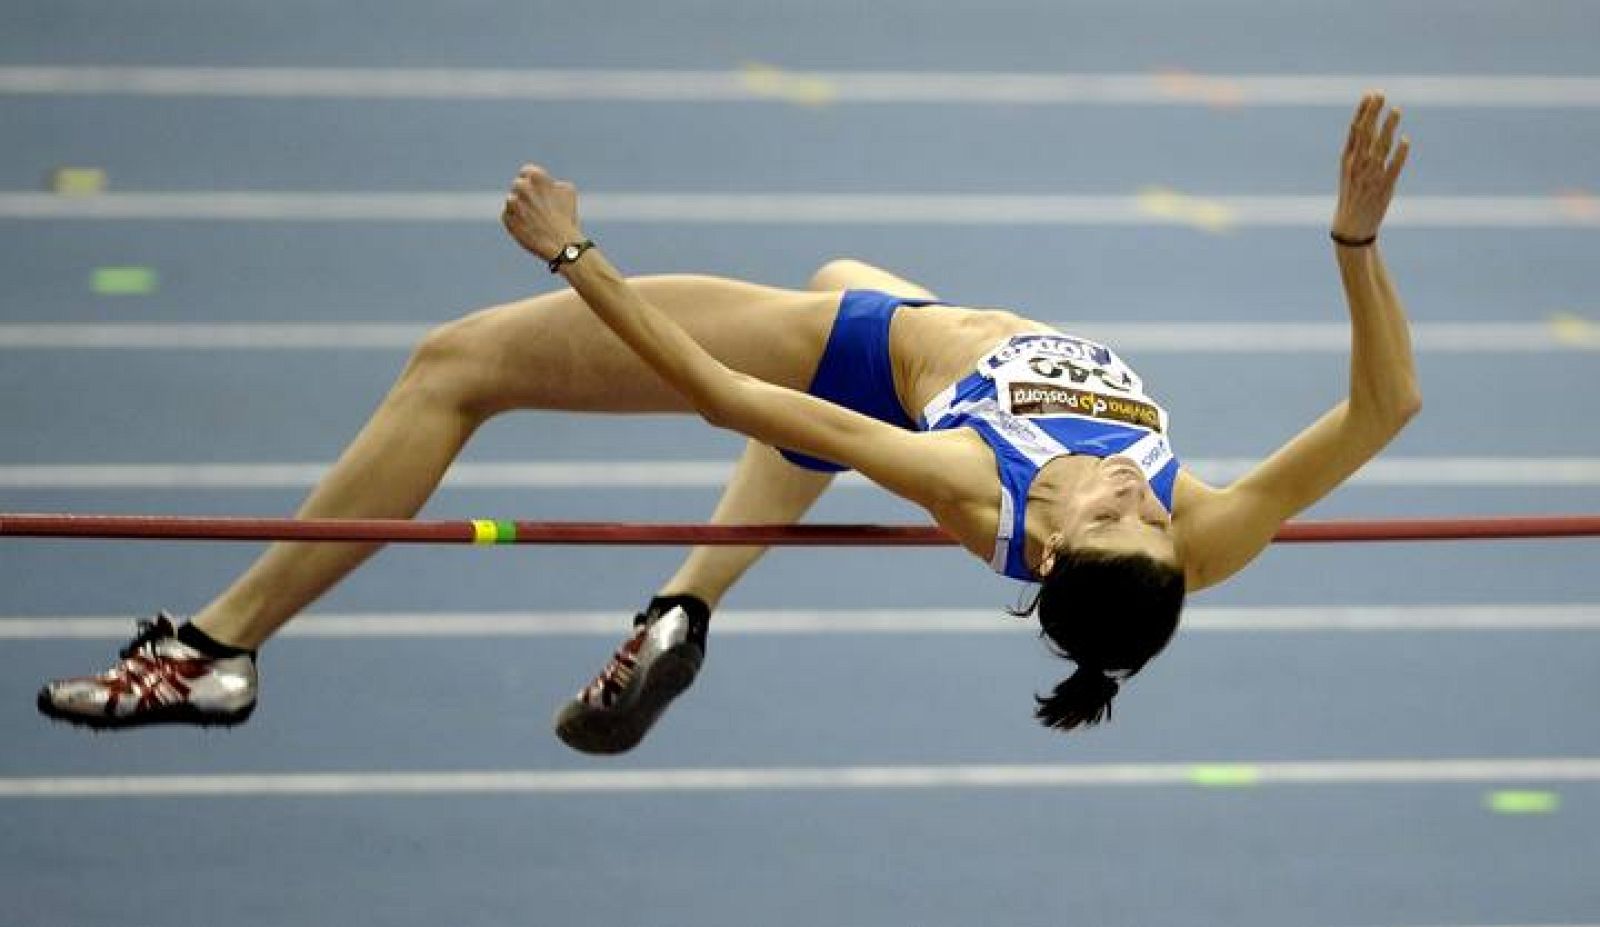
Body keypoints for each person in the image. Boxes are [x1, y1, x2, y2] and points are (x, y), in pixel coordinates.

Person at [38, 93, 1418, 751]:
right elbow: (1384, 404)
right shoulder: (1195, 545)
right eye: (1158, 519)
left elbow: (725, 391)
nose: (1148, 497)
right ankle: (686, 606)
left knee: (455, 365)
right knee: (846, 282)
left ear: (1049, 553)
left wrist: (582, 262)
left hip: (864, 360)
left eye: (1123, 512)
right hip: (909, 324)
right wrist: (1353, 243)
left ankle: (217, 650)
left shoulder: (966, 476)